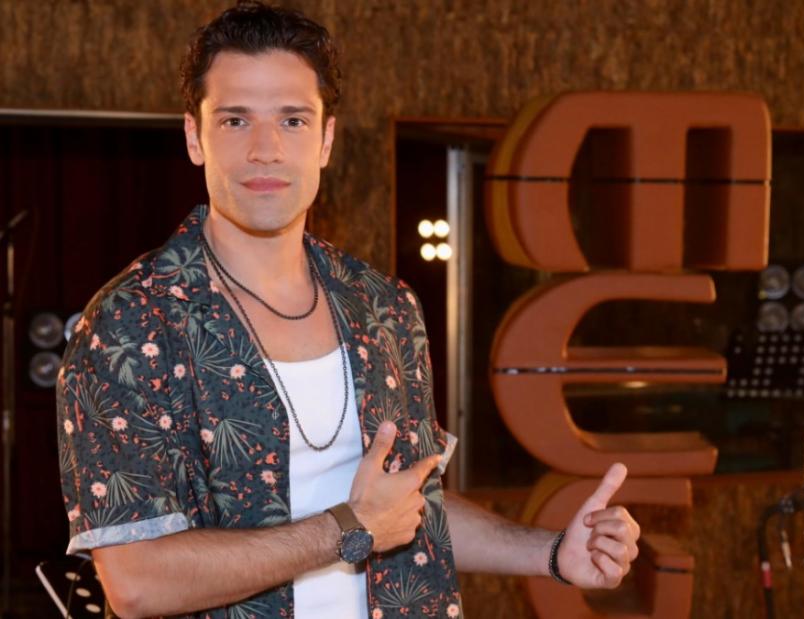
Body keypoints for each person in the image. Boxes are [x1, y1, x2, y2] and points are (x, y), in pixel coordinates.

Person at [55, 2, 640, 617]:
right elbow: (137, 582)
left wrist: (553, 553)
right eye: (234, 120)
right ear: (194, 137)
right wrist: (349, 528)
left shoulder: (384, 306)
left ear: (326, 139)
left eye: (292, 120)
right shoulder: (129, 324)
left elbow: (411, 509)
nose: (265, 149)